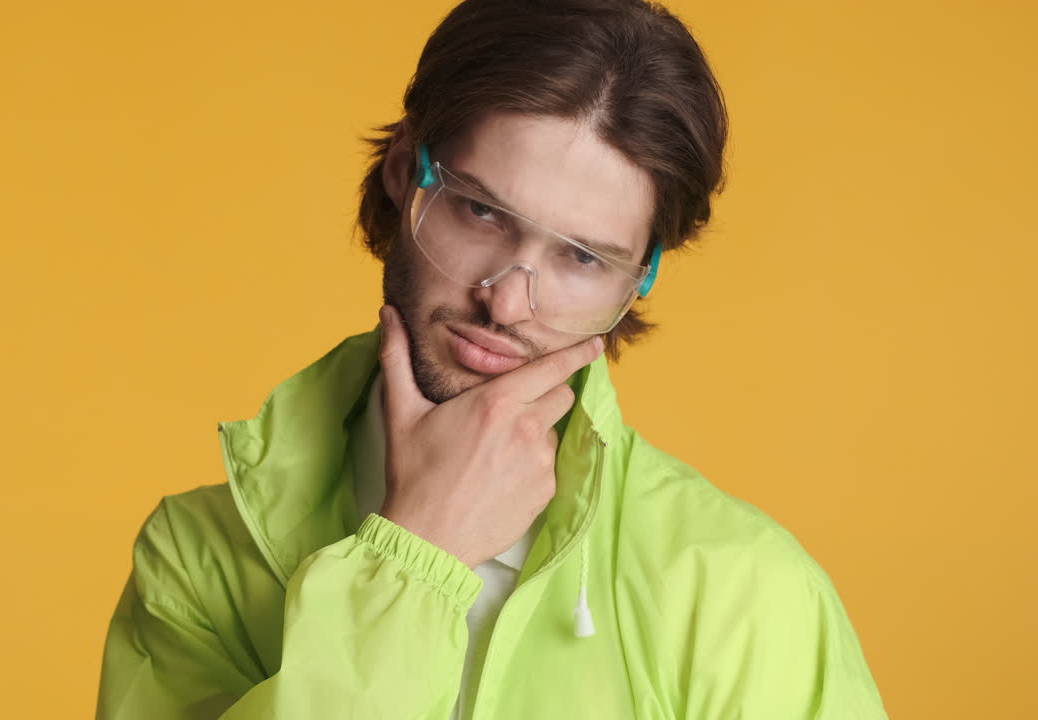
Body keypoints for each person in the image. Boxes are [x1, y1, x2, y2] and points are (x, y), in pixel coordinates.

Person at [95, 0, 889, 718]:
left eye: (582, 258)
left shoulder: (741, 590)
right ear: (407, 168)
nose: (507, 302)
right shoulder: (201, 558)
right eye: (480, 211)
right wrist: (415, 560)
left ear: (640, 277)